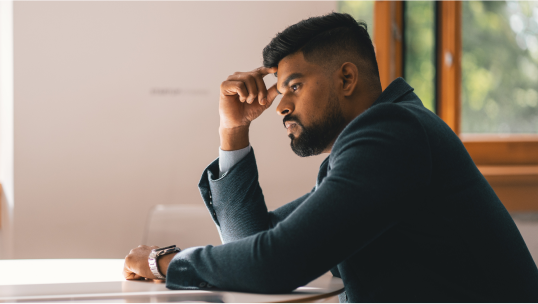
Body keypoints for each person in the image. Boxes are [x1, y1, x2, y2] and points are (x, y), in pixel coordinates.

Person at [123, 12, 538, 302]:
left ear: (345, 78)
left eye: (294, 86)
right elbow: (253, 246)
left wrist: (166, 263)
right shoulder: (380, 145)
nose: (281, 106)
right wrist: (233, 132)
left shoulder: (393, 134)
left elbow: (275, 264)